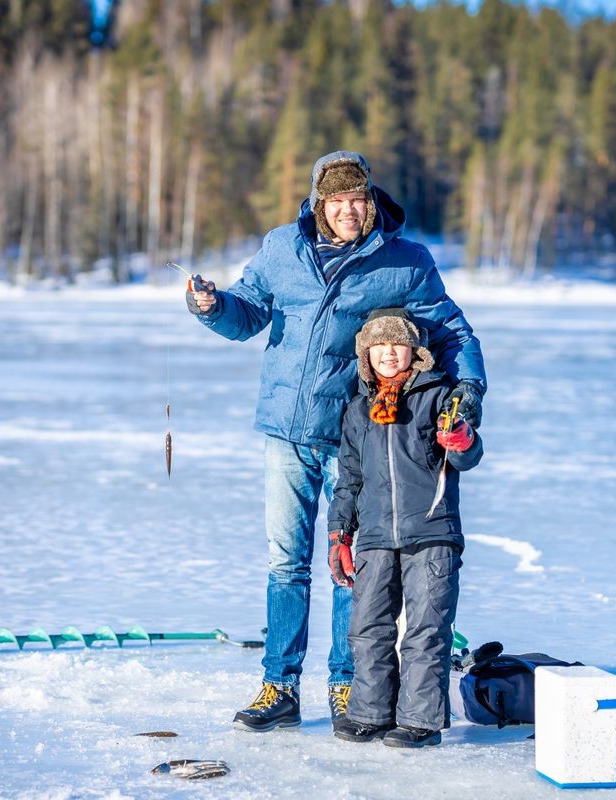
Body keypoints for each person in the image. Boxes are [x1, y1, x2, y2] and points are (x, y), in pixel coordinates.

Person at [186, 151, 487, 733]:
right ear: (320, 203)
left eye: (360, 200)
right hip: (287, 431)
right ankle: (280, 686)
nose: (351, 211)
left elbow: (451, 330)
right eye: (339, 201)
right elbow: (246, 313)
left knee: (358, 567)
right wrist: (211, 306)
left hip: (363, 435)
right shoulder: (282, 248)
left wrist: (468, 387)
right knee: (286, 564)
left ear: (373, 200)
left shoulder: (404, 261)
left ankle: (350, 688)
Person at [327, 308, 482, 748]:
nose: (388, 354)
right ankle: (369, 714)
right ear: (366, 355)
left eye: (396, 344)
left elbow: (465, 457)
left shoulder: (438, 397)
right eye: (378, 346)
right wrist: (340, 533)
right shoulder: (358, 410)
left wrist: (463, 441)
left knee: (426, 628)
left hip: (431, 533)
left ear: (414, 350)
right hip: (375, 535)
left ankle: (421, 721)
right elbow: (349, 478)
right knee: (367, 625)